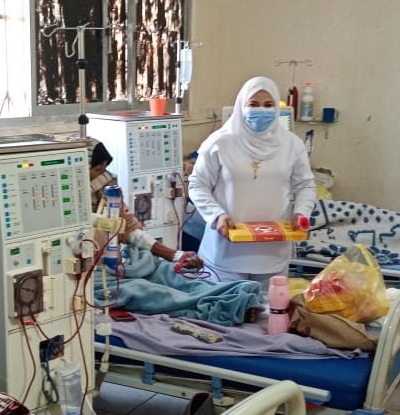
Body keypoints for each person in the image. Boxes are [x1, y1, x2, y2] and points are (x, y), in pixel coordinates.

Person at [187, 76, 317, 285]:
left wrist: (302, 212)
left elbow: (305, 185)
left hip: (273, 253)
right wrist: (216, 215)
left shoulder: (292, 145)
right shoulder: (220, 142)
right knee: (222, 305)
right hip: (225, 253)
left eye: (268, 105)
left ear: (276, 108)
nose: (261, 110)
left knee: (270, 305)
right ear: (241, 106)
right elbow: (197, 184)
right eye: (253, 104)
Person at [88, 140, 202, 270]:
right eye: (98, 169)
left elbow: (129, 228)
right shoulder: (77, 200)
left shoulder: (107, 188)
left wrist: (175, 255)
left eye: (104, 169)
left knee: (172, 274)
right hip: (88, 272)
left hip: (112, 269)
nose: (103, 175)